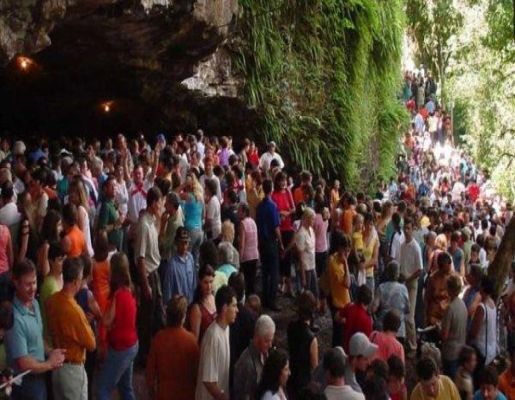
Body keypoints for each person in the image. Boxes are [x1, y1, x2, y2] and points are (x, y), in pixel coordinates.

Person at [4, 259, 66, 400]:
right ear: (16, 283)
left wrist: (51, 352)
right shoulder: (14, 319)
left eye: (34, 282)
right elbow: (24, 363)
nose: (33, 288)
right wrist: (49, 364)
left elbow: (38, 337)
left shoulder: (35, 304)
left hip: (40, 378)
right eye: (27, 284)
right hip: (25, 386)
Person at [46, 257, 96, 400]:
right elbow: (92, 344)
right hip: (73, 371)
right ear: (75, 281)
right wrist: (85, 323)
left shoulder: (52, 301)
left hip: (57, 367)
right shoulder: (75, 311)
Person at [95, 253, 138, 400]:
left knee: (102, 390)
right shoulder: (130, 289)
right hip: (132, 344)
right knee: (125, 387)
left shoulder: (119, 294)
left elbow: (106, 321)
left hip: (121, 348)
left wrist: (97, 315)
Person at [146, 295, 199, 400]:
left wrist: (152, 393)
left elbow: (150, 374)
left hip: (164, 394)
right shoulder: (191, 341)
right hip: (187, 395)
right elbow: (196, 374)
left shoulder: (159, 338)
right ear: (184, 317)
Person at [134, 186, 165, 365]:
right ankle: (143, 355)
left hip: (155, 271)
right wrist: (145, 285)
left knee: (157, 314)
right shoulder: (143, 226)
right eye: (160, 203)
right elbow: (140, 258)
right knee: (147, 317)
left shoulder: (152, 220)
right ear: (153, 203)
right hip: (149, 275)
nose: (161, 206)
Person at [195, 285, 238, 400]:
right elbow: (209, 381)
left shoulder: (226, 328)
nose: (237, 310)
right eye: (234, 306)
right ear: (224, 308)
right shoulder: (213, 337)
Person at [232, 315, 276, 400]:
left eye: (271, 340)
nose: (270, 345)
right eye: (267, 341)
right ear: (256, 337)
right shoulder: (247, 364)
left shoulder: (264, 353)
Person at [256, 179, 283, 311]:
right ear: (271, 189)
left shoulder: (259, 206)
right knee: (273, 272)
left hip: (262, 242)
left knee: (265, 272)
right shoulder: (273, 206)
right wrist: (282, 243)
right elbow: (276, 228)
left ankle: (265, 298)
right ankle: (272, 300)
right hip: (271, 242)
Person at [397, 217, 422, 355]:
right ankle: (406, 341)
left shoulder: (416, 247)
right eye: (404, 228)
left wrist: (408, 278)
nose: (406, 231)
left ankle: (413, 346)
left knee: (410, 317)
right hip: (402, 281)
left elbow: (419, 270)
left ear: (413, 229)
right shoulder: (402, 245)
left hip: (411, 283)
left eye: (408, 228)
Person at [287, 291, 319, 397]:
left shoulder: (290, 327)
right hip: (304, 382)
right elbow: (315, 367)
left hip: (291, 377)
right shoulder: (311, 338)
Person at [468, 276, 498, 384]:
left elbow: (474, 332)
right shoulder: (492, 303)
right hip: (491, 350)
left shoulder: (482, 307)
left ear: (483, 288)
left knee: (477, 380)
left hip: (481, 351)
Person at [372, 260, 410, 342]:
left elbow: (373, 308)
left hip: (384, 329)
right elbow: (408, 310)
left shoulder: (381, 288)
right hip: (399, 330)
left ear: (387, 273)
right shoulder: (404, 288)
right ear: (398, 274)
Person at [327, 230, 352, 347]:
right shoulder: (335, 263)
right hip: (338, 303)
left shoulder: (337, 259)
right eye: (345, 250)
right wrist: (346, 264)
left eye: (349, 251)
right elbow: (347, 283)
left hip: (344, 301)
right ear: (339, 248)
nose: (347, 254)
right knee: (339, 336)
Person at [161, 227, 196, 305]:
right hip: (178, 307)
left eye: (186, 243)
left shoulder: (190, 258)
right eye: (181, 243)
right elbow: (168, 289)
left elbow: (194, 282)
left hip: (190, 303)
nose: (184, 247)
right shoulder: (172, 265)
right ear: (176, 243)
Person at [441, 274, 467, 379]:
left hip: (450, 352)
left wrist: (439, 327)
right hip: (461, 348)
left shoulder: (450, 309)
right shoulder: (462, 304)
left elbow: (444, 335)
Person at [339, 285, 373, 354]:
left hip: (345, 347)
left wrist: (347, 321)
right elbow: (368, 341)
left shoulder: (349, 306)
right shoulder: (368, 319)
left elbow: (337, 317)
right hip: (358, 352)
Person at [425, 251, 455, 326]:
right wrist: (427, 316)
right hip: (433, 315)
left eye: (449, 267)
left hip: (446, 316)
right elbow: (427, 298)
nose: (448, 270)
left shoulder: (452, 278)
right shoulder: (433, 278)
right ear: (440, 267)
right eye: (446, 268)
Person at [188, 264, 216, 343]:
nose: (209, 286)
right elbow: (194, 339)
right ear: (200, 282)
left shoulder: (214, 297)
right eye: (205, 282)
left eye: (211, 282)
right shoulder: (196, 308)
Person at [295, 208, 318, 297]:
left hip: (312, 265)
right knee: (307, 293)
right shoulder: (301, 234)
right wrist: (303, 275)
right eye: (312, 219)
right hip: (306, 268)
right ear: (307, 219)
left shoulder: (311, 230)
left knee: (315, 290)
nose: (314, 221)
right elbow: (300, 257)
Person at [239, 203, 259, 295]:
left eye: (239, 211)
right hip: (254, 254)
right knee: (253, 280)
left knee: (247, 281)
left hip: (246, 256)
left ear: (243, 212)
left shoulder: (243, 224)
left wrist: (240, 258)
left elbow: (242, 244)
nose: (238, 213)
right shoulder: (253, 222)